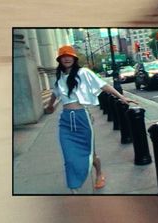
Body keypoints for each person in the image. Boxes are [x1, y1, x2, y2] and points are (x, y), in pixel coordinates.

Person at [46, 45, 137, 194]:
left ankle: (99, 173)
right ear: (60, 60)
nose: (67, 58)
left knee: (91, 153)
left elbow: (103, 85)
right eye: (63, 57)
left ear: (74, 59)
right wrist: (50, 106)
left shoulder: (83, 73)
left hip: (82, 118)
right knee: (69, 157)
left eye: (69, 56)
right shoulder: (59, 77)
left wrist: (121, 97)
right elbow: (55, 94)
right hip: (65, 121)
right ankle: (73, 187)